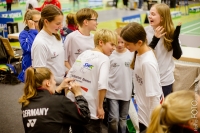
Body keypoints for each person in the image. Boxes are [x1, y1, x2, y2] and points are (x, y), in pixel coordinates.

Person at [66, 29, 117, 133]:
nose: (114, 48)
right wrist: (100, 107)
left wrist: (69, 95)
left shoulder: (84, 53)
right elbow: (102, 85)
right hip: (90, 109)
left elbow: (69, 77)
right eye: (112, 44)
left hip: (73, 104)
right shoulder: (104, 59)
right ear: (101, 42)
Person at [120, 22, 164, 132]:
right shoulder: (138, 53)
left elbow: (154, 96)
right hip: (143, 113)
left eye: (127, 44)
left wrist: (154, 123)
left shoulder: (147, 63)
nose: (125, 47)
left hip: (150, 119)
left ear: (139, 42)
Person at [19, 67, 90, 133]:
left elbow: (47, 104)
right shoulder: (59, 101)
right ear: (48, 83)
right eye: (54, 80)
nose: (55, 83)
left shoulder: (26, 102)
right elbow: (84, 116)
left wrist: (59, 88)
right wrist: (78, 94)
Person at [145, 3, 182, 97]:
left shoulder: (170, 33)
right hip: (149, 80)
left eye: (153, 14)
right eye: (149, 13)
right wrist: (155, 38)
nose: (149, 16)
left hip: (165, 81)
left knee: (163, 110)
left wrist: (175, 39)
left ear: (162, 18)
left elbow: (177, 56)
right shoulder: (146, 31)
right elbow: (144, 55)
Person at [106, 27, 134, 133]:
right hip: (112, 92)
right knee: (114, 118)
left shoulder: (131, 54)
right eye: (117, 42)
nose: (120, 45)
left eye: (123, 42)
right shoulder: (110, 54)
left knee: (123, 119)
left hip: (126, 92)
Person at [31, 5, 65, 85]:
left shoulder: (56, 36)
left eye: (61, 23)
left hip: (60, 84)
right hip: (50, 88)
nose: (61, 27)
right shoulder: (40, 43)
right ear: (46, 22)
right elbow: (40, 73)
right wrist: (62, 80)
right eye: (57, 23)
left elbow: (58, 63)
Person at [18, 9, 41, 83]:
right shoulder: (23, 34)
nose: (39, 23)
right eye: (36, 21)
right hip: (29, 66)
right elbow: (29, 48)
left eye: (40, 21)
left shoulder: (42, 32)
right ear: (29, 22)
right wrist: (32, 31)